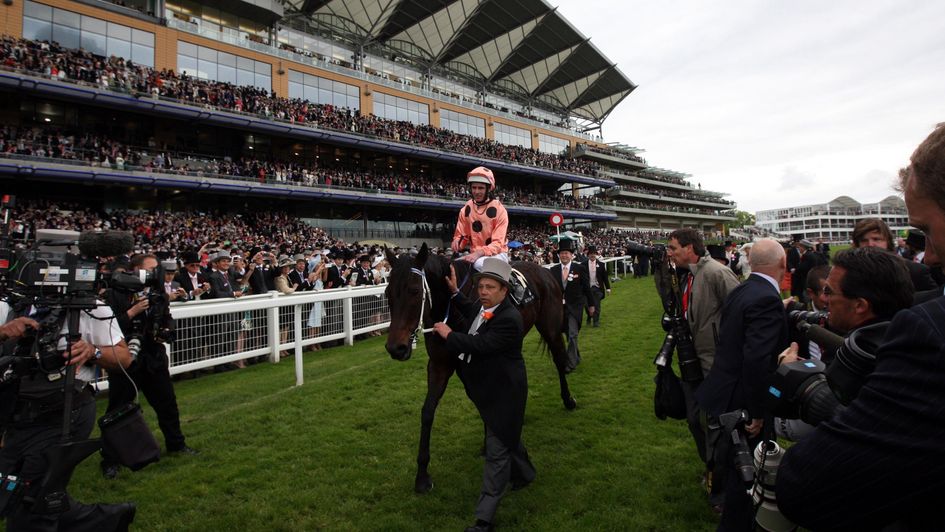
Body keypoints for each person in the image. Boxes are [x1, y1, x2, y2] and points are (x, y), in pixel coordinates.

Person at [776, 123, 945, 530]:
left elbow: (807, 484)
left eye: (925, 230)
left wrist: (827, 402)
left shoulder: (923, 331)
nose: (932, 257)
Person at [0, 298, 137, 530]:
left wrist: (93, 351)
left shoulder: (91, 306)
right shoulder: (8, 305)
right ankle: (105, 520)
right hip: (14, 415)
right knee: (13, 495)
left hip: (65, 413)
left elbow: (124, 358)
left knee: (32, 504)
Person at [432, 258, 535, 532]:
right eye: (480, 286)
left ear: (504, 290)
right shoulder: (487, 306)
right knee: (504, 436)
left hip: (504, 393)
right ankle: (526, 473)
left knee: (496, 454)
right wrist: (455, 292)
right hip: (489, 390)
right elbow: (472, 309)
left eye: (490, 287)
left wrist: (449, 334)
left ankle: (483, 520)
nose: (483, 292)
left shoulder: (510, 319)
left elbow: (480, 344)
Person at [695, 238, 789, 531]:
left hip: (723, 392)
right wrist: (759, 411)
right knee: (748, 477)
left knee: (734, 470)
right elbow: (757, 359)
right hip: (744, 403)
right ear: (783, 265)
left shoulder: (743, 290)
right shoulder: (765, 298)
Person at [101, 254, 197, 479]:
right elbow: (107, 327)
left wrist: (166, 331)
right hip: (125, 359)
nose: (156, 273)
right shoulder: (115, 294)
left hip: (153, 358)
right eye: (150, 269)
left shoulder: (157, 294)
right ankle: (110, 459)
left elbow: (167, 318)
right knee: (118, 409)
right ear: (134, 270)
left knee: (167, 405)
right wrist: (132, 313)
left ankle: (176, 444)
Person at [665, 227, 739, 508]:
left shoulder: (716, 273)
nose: (669, 253)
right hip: (695, 363)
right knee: (696, 420)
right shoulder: (691, 275)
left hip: (715, 365)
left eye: (673, 248)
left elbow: (742, 311)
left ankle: (721, 489)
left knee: (714, 427)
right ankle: (713, 471)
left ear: (689, 248)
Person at [850, 217, 937, 291]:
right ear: (858, 244)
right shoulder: (850, 273)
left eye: (876, 239)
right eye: (863, 240)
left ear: (888, 241)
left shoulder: (915, 271)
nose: (870, 244)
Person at [451, 166, 509, 270]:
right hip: (475, 255)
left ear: (488, 188)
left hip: (498, 254)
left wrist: (479, 253)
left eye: (481, 188)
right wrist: (457, 242)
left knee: (478, 264)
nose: (476, 192)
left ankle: (512, 283)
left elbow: (498, 243)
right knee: (452, 266)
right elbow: (461, 235)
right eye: (474, 187)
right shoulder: (466, 209)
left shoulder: (500, 209)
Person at [549, 238, 593, 372]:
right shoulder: (553, 270)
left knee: (573, 334)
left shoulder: (579, 268)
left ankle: (571, 362)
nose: (564, 255)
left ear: (571, 255)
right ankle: (576, 356)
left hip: (575, 307)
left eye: (567, 253)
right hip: (559, 309)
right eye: (562, 253)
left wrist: (591, 305)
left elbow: (587, 288)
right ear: (559, 255)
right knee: (566, 335)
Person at [584, 245, 611, 327]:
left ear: (596, 254)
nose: (592, 255)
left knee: (596, 305)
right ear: (588, 255)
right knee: (587, 305)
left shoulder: (601, 265)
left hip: (598, 288)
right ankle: (589, 316)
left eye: (594, 254)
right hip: (587, 288)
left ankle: (596, 321)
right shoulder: (583, 264)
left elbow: (605, 278)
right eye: (591, 254)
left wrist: (608, 288)